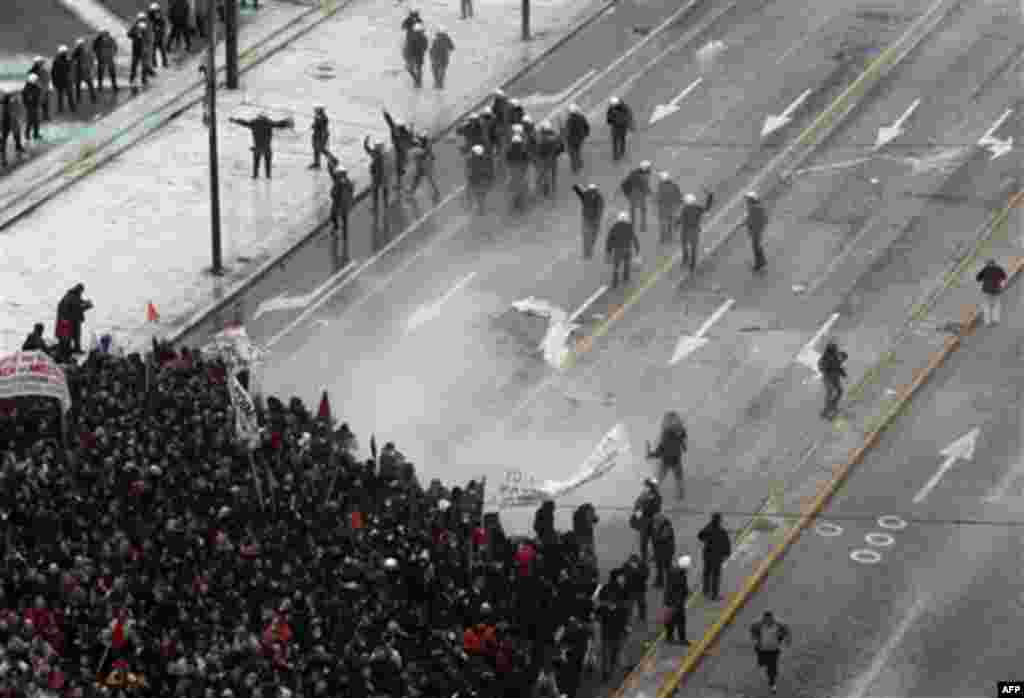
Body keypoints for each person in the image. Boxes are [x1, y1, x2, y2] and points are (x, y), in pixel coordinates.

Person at [229, 113, 295, 179]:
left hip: (257, 147)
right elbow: (279, 124)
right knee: (267, 164)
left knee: (256, 163)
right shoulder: (268, 122)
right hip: (267, 148)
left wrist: (235, 120)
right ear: (265, 117)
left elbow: (244, 123)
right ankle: (268, 176)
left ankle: (255, 176)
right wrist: (287, 122)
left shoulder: (254, 122)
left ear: (258, 117)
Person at [595, 569, 630, 681]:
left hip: (607, 624)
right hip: (617, 624)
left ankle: (606, 672)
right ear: (617, 577)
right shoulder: (621, 590)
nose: (623, 579)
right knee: (614, 648)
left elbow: (599, 607)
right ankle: (610, 669)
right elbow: (624, 609)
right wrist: (626, 624)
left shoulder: (605, 589)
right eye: (622, 577)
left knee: (607, 649)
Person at [646, 410, 686, 499]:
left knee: (660, 478)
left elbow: (661, 449)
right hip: (672, 460)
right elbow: (662, 449)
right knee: (677, 479)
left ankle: (679, 495)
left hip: (670, 460)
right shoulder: (674, 434)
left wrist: (651, 454)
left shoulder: (668, 435)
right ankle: (680, 495)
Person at [750, 611, 791, 692]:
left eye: (770, 620)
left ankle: (772, 684)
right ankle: (765, 665)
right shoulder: (758, 625)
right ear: (764, 619)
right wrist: (754, 639)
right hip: (762, 650)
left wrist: (787, 639)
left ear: (772, 618)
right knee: (762, 663)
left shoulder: (778, 625)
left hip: (774, 650)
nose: (768, 621)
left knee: (772, 668)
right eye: (766, 620)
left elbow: (786, 630)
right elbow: (752, 629)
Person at [696, 513, 730, 601]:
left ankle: (705, 590)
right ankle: (714, 595)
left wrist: (706, 540)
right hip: (717, 556)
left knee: (706, 573)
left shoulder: (708, 528)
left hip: (707, 554)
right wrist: (726, 554)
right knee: (715, 575)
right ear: (719, 521)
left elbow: (700, 535)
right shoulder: (721, 531)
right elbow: (726, 544)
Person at [326, 153, 354, 259]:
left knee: (336, 216)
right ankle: (340, 231)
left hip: (340, 204)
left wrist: (333, 195)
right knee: (341, 218)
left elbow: (335, 192)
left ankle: (338, 230)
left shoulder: (342, 182)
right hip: (343, 204)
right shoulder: (345, 181)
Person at [679, 188, 713, 272]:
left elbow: (681, 219)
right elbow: (707, 208)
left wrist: (676, 223)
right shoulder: (698, 208)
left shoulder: (685, 209)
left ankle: (685, 259)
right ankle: (692, 265)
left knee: (684, 244)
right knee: (694, 248)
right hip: (695, 230)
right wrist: (710, 196)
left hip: (686, 230)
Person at [630, 478, 661, 563]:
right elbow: (638, 506)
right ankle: (645, 557)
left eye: (647, 486)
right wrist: (637, 515)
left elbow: (655, 507)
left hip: (651, 520)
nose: (646, 487)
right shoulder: (644, 495)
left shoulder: (655, 495)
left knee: (654, 540)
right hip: (645, 521)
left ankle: (654, 556)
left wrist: (641, 510)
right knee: (644, 541)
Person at [56, 283, 93, 356]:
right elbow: (76, 309)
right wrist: (87, 306)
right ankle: (73, 350)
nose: (81, 293)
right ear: (79, 290)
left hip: (69, 320)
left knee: (71, 337)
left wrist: (85, 302)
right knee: (73, 336)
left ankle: (72, 350)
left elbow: (78, 304)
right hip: (71, 321)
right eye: (81, 291)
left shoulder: (71, 296)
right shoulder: (72, 297)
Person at [606, 211, 640, 288]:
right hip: (627, 249)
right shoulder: (629, 226)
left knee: (616, 266)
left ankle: (615, 282)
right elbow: (634, 238)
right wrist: (637, 249)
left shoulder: (614, 227)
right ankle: (626, 279)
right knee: (627, 264)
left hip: (618, 249)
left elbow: (609, 239)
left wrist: (608, 251)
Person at [662, 555, 691, 645]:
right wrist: (685, 594)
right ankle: (681, 639)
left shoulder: (673, 571)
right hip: (676, 602)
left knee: (671, 620)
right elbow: (679, 589)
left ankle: (669, 637)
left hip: (671, 601)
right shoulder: (679, 574)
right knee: (680, 621)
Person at [383, 110, 414, 189]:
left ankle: (400, 184)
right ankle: (400, 183)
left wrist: (386, 115)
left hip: (400, 153)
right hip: (404, 152)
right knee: (399, 169)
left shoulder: (398, 132)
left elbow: (391, 124)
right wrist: (411, 127)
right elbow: (410, 137)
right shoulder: (405, 133)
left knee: (399, 169)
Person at [572, 183, 604, 259]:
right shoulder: (598, 197)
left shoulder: (587, 195)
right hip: (592, 220)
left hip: (587, 219)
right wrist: (598, 219)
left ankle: (586, 252)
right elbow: (600, 209)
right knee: (591, 236)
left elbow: (580, 194)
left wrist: (575, 188)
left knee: (587, 236)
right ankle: (588, 252)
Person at [407, 133, 440, 204]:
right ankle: (411, 192)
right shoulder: (419, 149)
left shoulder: (416, 150)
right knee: (424, 179)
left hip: (422, 166)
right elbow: (426, 154)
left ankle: (411, 192)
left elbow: (426, 154)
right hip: (422, 166)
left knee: (419, 180)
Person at [818, 341, 847, 419]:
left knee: (839, 391)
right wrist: (828, 369)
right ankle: (826, 410)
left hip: (834, 377)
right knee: (830, 391)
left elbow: (838, 366)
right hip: (828, 378)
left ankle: (832, 405)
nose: (836, 351)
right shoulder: (824, 359)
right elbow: (821, 367)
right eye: (835, 349)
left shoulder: (835, 357)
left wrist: (843, 373)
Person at [534, 120, 564, 197]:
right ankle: (552, 191)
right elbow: (561, 147)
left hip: (543, 159)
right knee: (552, 175)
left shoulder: (540, 136)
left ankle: (540, 191)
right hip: (552, 158)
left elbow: (536, 148)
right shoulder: (554, 136)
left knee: (542, 175)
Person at [364, 136, 389, 223]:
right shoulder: (384, 153)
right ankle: (386, 205)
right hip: (384, 175)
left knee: (376, 192)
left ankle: (375, 207)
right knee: (384, 190)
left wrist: (366, 142)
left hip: (377, 176)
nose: (374, 147)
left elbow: (368, 150)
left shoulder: (376, 154)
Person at [621, 161, 652, 232]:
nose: (650, 168)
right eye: (648, 167)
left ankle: (633, 224)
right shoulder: (643, 175)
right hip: (638, 193)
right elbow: (644, 185)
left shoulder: (634, 173)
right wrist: (649, 192)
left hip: (632, 193)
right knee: (643, 209)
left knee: (633, 209)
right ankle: (643, 226)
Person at [976, 258, 1008, 326]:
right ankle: (995, 320)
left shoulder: (985, 269)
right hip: (996, 290)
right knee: (996, 305)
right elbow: (1004, 277)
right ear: (994, 263)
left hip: (986, 290)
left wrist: (984, 278)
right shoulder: (999, 268)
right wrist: (1001, 284)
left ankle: (987, 322)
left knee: (986, 305)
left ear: (987, 263)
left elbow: (978, 278)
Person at [743, 191, 768, 271]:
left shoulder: (754, 208)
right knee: (756, 246)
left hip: (756, 230)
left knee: (756, 246)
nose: (746, 201)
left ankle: (759, 263)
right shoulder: (756, 207)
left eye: (748, 199)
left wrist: (748, 224)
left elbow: (752, 219)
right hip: (756, 230)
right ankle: (761, 261)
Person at [506, 133, 531, 213]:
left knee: (512, 186)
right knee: (523, 185)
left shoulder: (509, 149)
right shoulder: (524, 150)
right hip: (521, 170)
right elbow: (527, 161)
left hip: (513, 169)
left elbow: (507, 161)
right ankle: (520, 204)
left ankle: (515, 203)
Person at [656, 171, 682, 245]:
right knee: (670, 222)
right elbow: (678, 195)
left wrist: (657, 201)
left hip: (663, 208)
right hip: (672, 208)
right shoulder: (673, 185)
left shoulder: (660, 186)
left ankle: (663, 239)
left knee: (663, 224)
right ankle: (670, 237)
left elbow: (659, 198)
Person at [1, 91, 25, 168]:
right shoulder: (9, 102)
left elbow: (17, 109)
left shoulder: (12, 99)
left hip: (9, 121)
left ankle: (18, 148)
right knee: (4, 140)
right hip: (6, 122)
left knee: (15, 134)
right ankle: (3, 159)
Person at [650, 513, 675, 589]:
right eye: (655, 521)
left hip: (667, 551)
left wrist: (656, 531)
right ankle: (659, 582)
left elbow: (662, 538)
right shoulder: (657, 526)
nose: (655, 522)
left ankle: (670, 583)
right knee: (659, 567)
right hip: (659, 551)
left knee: (667, 568)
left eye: (657, 521)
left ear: (661, 520)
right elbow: (655, 539)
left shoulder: (667, 527)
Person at [466, 144, 492, 214]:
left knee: (478, 194)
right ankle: (481, 207)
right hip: (483, 180)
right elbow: (489, 170)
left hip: (476, 180)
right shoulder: (487, 159)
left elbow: (469, 171)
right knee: (481, 194)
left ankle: (480, 207)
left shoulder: (470, 160)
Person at [564, 104, 590, 173]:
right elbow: (586, 126)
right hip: (580, 138)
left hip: (572, 139)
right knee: (578, 151)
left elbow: (567, 131)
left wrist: (566, 139)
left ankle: (575, 167)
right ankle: (579, 164)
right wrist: (585, 134)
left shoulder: (569, 120)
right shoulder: (581, 117)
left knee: (572, 153)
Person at [606, 97, 634, 161]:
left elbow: (628, 117)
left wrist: (615, 119)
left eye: (613, 105)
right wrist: (611, 119)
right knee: (616, 141)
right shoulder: (611, 108)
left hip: (621, 127)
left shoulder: (624, 108)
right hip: (616, 127)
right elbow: (608, 118)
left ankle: (621, 152)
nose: (612, 106)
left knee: (621, 140)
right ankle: (616, 155)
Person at [623, 553, 648, 624]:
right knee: (629, 605)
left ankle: (642, 617)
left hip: (640, 589)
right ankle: (628, 618)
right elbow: (625, 575)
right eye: (632, 562)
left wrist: (637, 570)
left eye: (634, 562)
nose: (633, 563)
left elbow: (645, 576)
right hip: (630, 589)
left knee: (641, 604)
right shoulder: (626, 566)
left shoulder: (643, 565)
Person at [71, 38, 97, 106]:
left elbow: (91, 60)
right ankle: (92, 97)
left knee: (81, 86)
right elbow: (91, 60)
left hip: (81, 72)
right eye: (80, 45)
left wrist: (90, 67)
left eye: (80, 45)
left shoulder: (82, 52)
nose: (80, 46)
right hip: (81, 72)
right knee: (86, 85)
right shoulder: (78, 52)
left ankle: (81, 99)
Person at [51, 45, 75, 114]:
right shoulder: (68, 60)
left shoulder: (56, 61)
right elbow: (71, 70)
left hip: (60, 81)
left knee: (61, 96)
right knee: (69, 95)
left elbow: (53, 72)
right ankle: (72, 108)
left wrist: (54, 82)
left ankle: (61, 109)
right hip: (66, 81)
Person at [404, 23, 429, 88]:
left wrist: (406, 55)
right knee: (418, 69)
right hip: (419, 56)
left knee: (410, 68)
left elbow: (408, 47)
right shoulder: (424, 37)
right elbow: (425, 47)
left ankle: (417, 81)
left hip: (412, 56)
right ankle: (418, 81)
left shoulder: (411, 37)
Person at [27, 57, 51, 122]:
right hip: (39, 90)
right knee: (39, 104)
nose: (43, 64)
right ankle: (41, 117)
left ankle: (44, 117)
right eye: (42, 63)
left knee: (43, 104)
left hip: (41, 90)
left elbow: (47, 80)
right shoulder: (41, 71)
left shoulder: (33, 71)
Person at [128, 20, 149, 88]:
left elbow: (148, 39)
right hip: (136, 51)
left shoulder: (146, 30)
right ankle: (132, 78)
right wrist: (135, 33)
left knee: (144, 65)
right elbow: (129, 34)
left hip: (143, 51)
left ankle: (144, 79)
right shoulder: (135, 28)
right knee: (134, 65)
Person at [148, 2, 170, 68]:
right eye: (155, 12)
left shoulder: (159, 19)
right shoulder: (151, 19)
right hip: (154, 37)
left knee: (161, 50)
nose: (156, 14)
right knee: (154, 51)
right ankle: (155, 63)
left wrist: (162, 31)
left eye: (157, 12)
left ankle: (164, 63)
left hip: (158, 36)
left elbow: (163, 25)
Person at [21, 75, 42, 142]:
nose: (37, 81)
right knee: (31, 120)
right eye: (36, 80)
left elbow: (37, 94)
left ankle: (35, 134)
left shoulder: (34, 87)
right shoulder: (27, 88)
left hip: (34, 106)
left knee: (36, 121)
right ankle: (27, 134)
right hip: (31, 106)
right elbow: (28, 98)